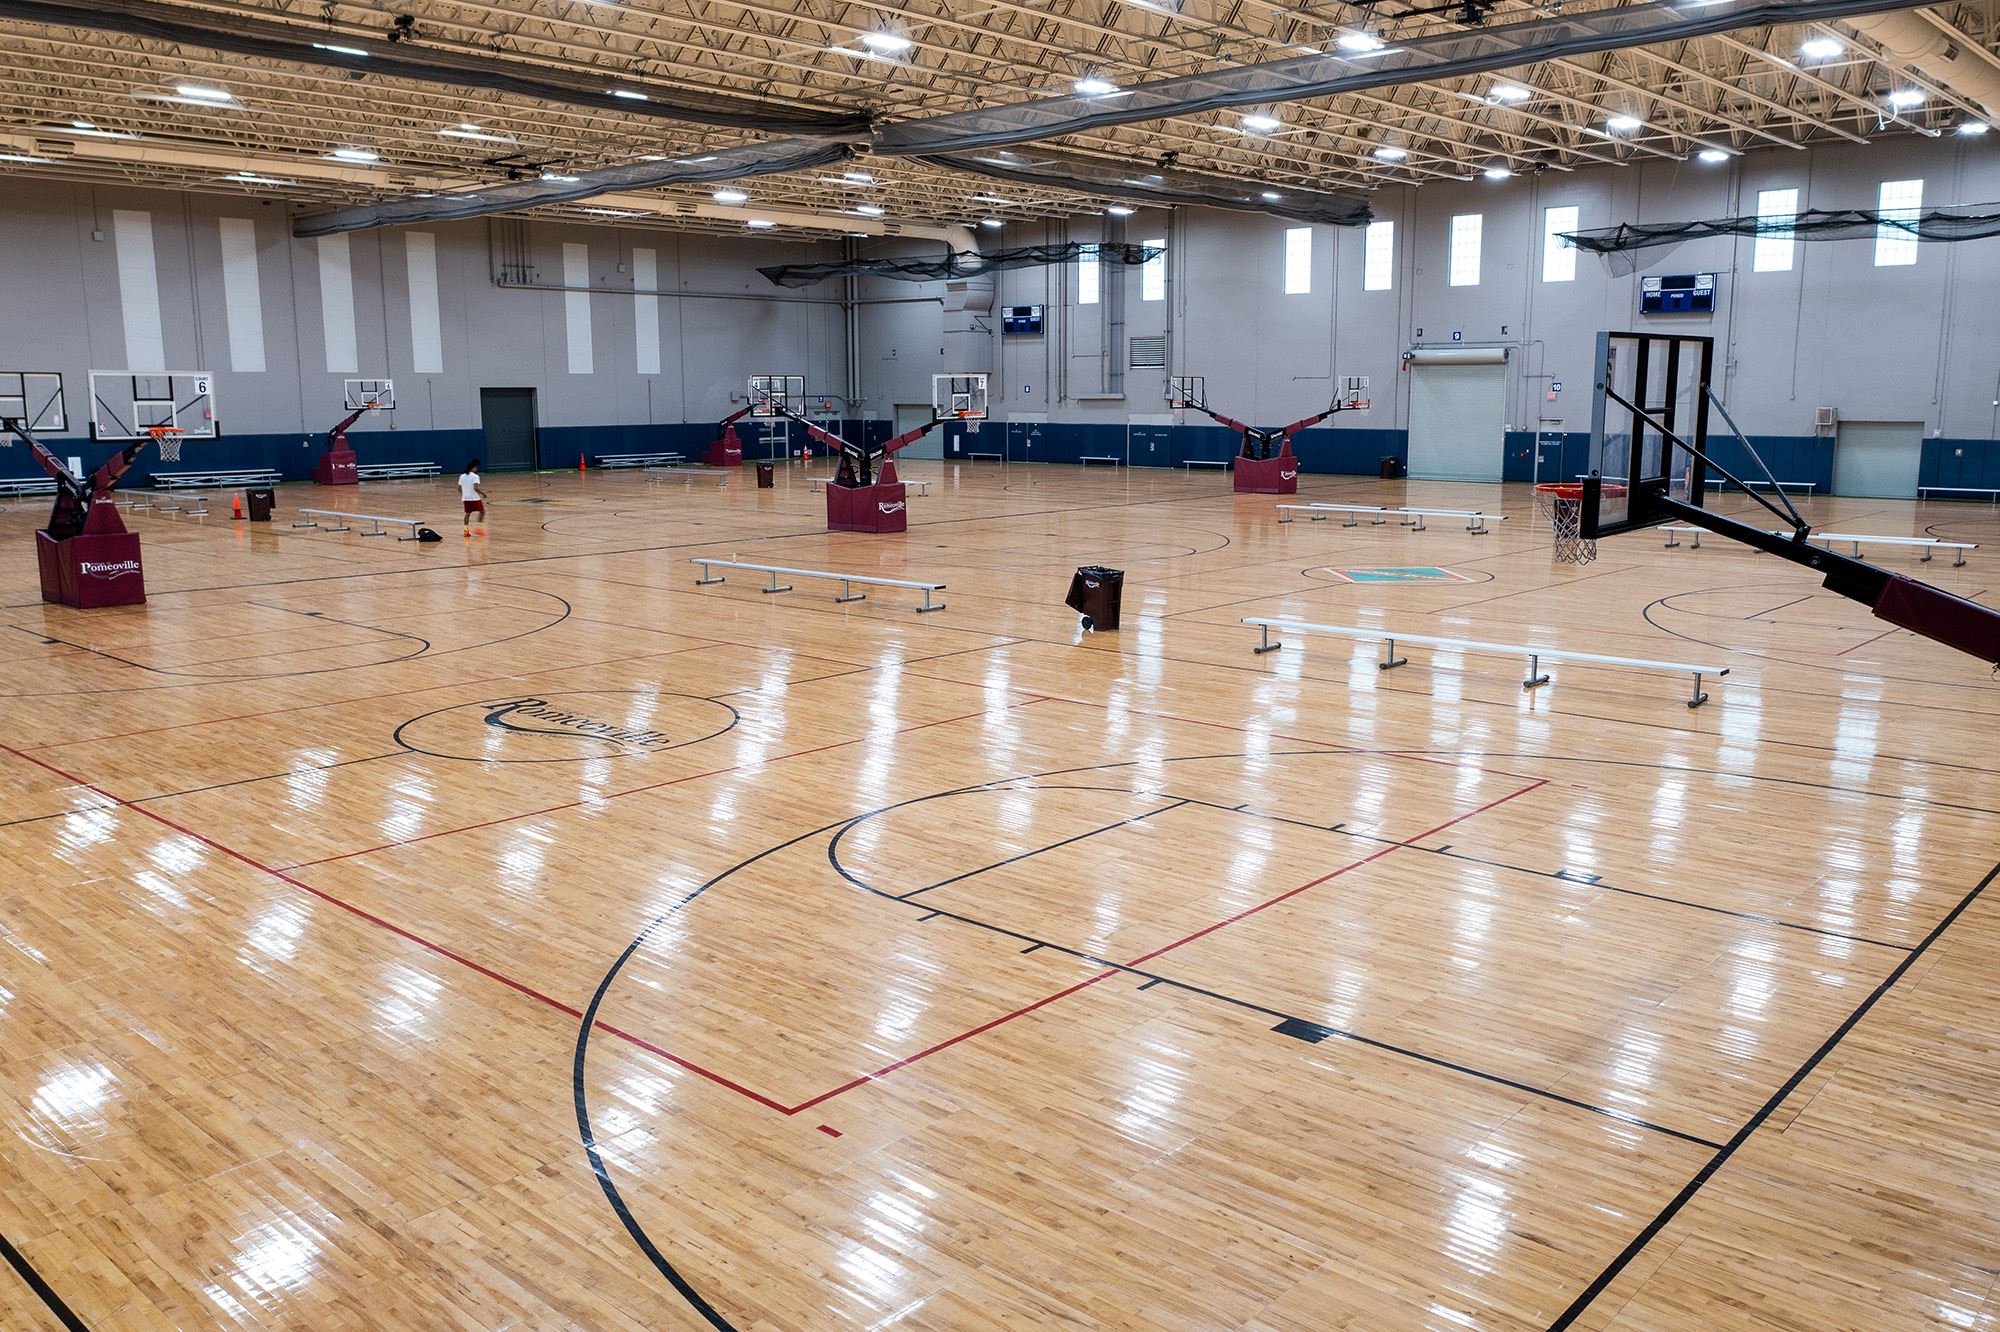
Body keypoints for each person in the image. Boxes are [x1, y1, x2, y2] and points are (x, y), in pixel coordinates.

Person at [459, 459, 487, 535]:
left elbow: (459, 489)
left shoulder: (462, 476)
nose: (476, 469)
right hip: (475, 498)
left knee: (467, 514)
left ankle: (466, 531)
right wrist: (483, 494)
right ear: (473, 468)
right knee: (482, 512)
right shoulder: (475, 476)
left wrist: (464, 494)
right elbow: (476, 488)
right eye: (476, 467)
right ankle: (478, 529)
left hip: (466, 498)